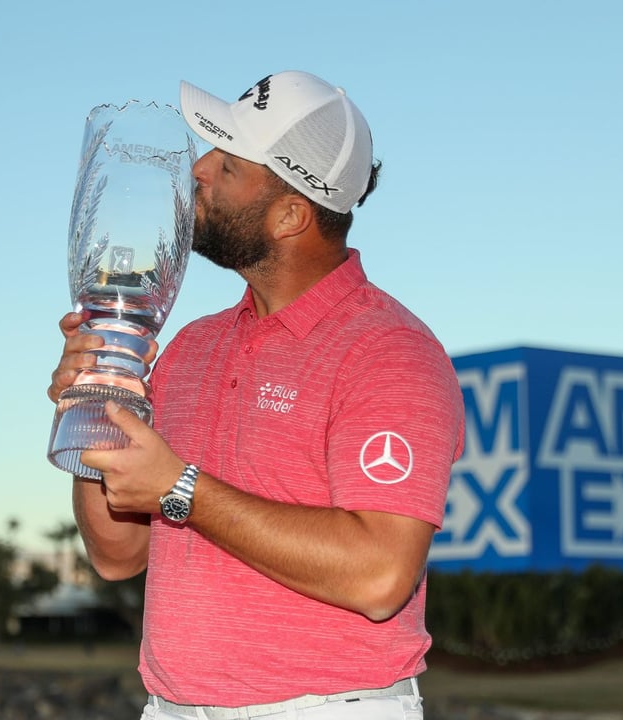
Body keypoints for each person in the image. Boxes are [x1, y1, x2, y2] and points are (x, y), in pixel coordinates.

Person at [48, 70, 465, 720]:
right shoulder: (188, 347)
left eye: (228, 164)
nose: (199, 171)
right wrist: (94, 405)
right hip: (172, 708)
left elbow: (381, 575)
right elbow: (116, 554)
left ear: (291, 214)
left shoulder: (389, 349)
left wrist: (179, 488)